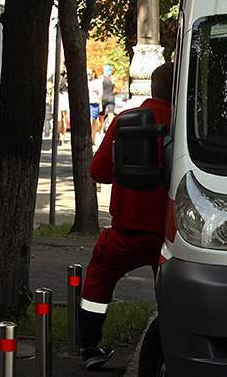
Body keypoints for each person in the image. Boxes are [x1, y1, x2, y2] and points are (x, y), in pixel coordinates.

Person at [78, 62, 174, 370]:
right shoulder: (184, 126)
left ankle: (89, 346)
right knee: (173, 293)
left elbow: (98, 172)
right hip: (169, 235)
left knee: (98, 279)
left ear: (152, 88)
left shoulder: (125, 122)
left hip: (126, 231)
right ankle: (172, 348)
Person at [88, 69, 103, 145]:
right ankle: (89, 138)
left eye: (90, 73)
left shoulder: (98, 82)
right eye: (88, 73)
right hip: (88, 103)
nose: (89, 75)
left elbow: (100, 92)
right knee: (90, 120)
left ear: (94, 74)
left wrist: (99, 100)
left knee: (94, 121)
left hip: (95, 103)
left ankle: (93, 138)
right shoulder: (86, 81)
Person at [100, 64, 116, 132]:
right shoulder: (112, 79)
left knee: (101, 114)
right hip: (111, 98)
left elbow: (100, 89)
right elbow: (114, 90)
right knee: (111, 114)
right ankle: (110, 129)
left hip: (103, 98)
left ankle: (101, 130)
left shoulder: (101, 78)